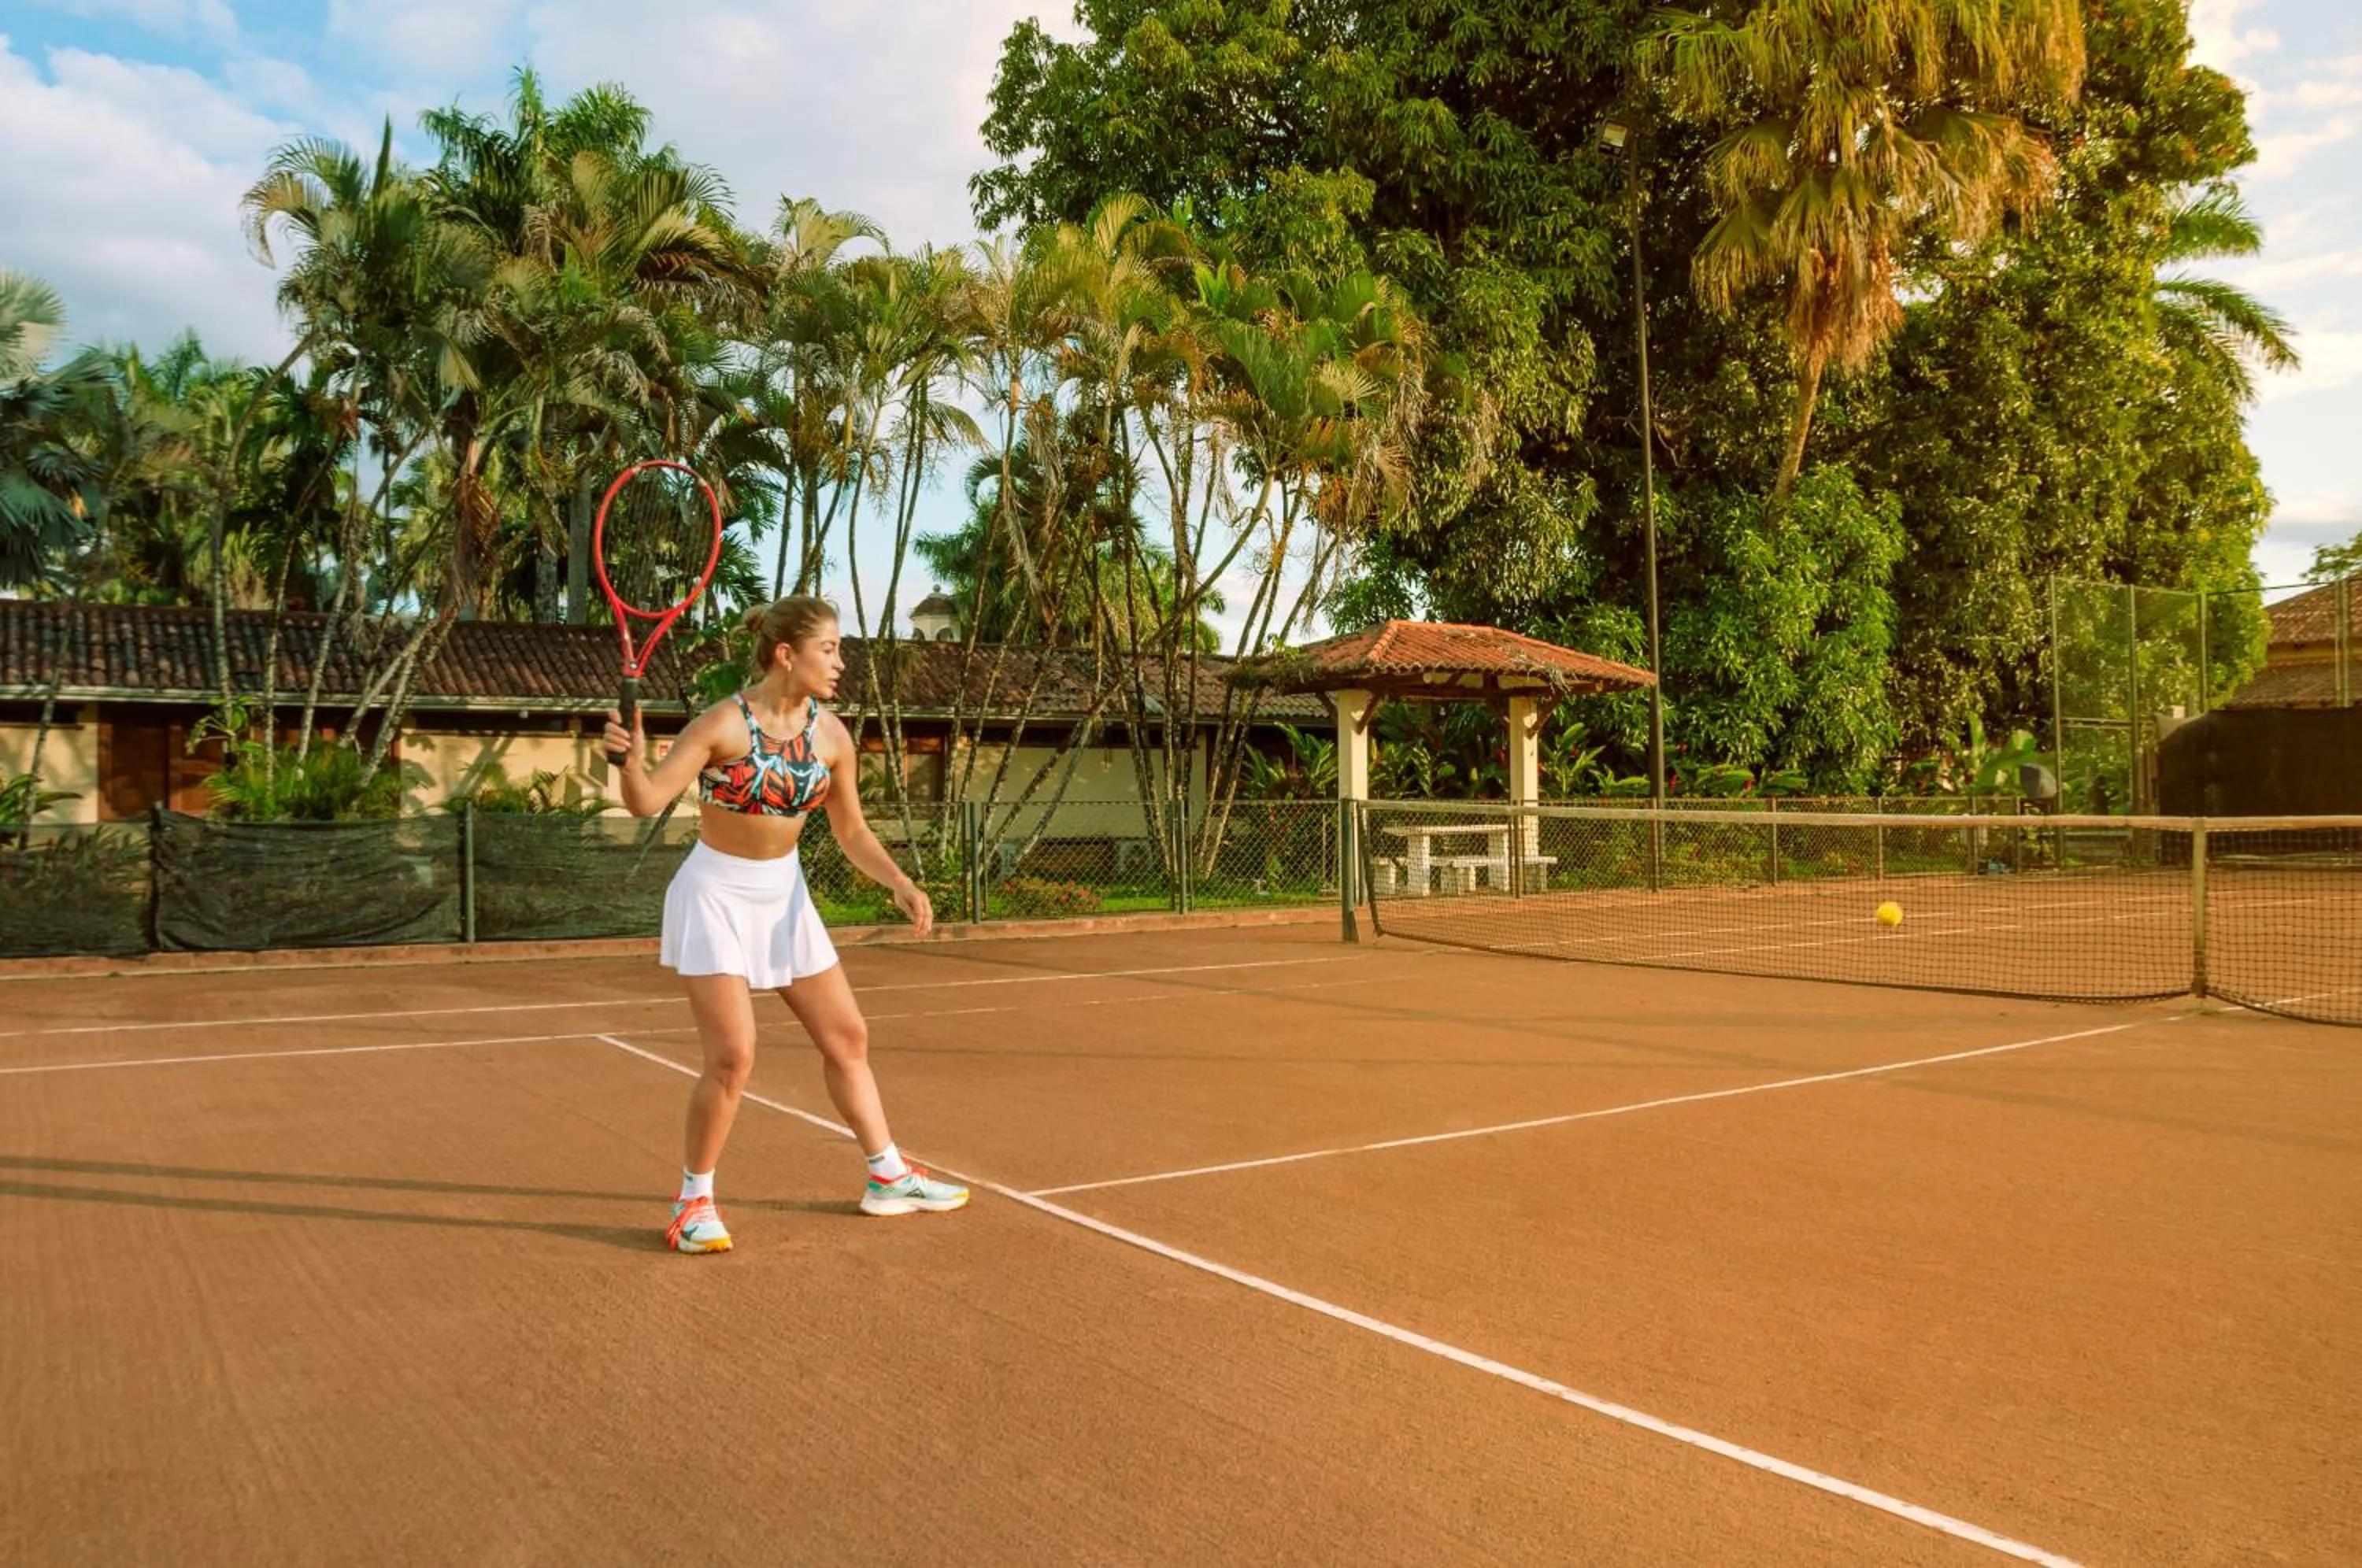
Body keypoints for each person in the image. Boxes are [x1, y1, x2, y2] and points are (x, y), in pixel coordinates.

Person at [602, 594, 968, 1254]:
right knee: (733, 1056)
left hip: (784, 897)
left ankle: (887, 1176)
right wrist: (628, 762)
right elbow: (646, 801)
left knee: (848, 1036)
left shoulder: (832, 736)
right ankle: (693, 1202)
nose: (840, 662)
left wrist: (899, 881)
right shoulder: (722, 724)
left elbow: (851, 831)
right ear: (785, 654)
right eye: (828, 649)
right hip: (715, 894)